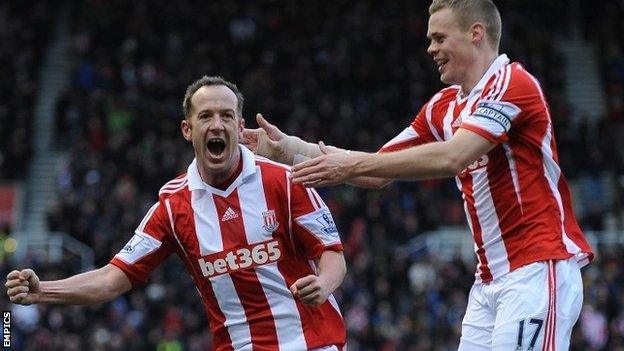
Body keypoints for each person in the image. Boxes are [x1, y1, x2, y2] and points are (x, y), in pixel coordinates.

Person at [241, 0, 593, 349]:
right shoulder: (443, 106)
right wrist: (288, 149)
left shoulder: (511, 83)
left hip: (536, 268)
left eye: (439, 38)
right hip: (489, 282)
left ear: (476, 33)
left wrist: (348, 166)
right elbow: (376, 169)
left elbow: (454, 156)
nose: (431, 48)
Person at [6, 76, 347, 351]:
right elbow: (111, 279)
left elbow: (332, 253)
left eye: (227, 116)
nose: (217, 124)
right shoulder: (173, 207)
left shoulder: (285, 181)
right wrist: (44, 292)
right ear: (188, 129)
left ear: (240, 127)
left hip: (313, 344)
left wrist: (323, 283)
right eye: (206, 116)